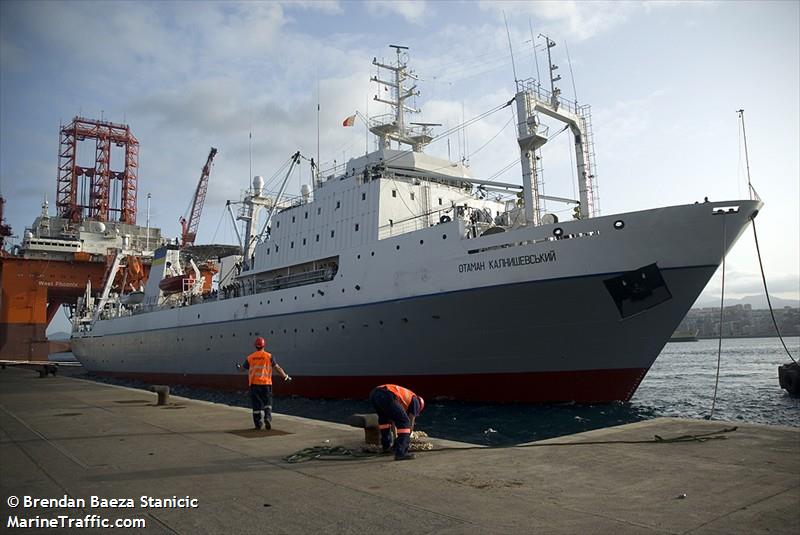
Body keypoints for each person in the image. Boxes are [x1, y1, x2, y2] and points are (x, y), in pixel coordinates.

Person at [237, 337, 291, 430]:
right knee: (268, 403)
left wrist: (238, 367)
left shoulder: (250, 357)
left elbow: (242, 369)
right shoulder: (269, 356)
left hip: (254, 384)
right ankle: (267, 418)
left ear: (255, 346)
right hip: (266, 384)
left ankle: (258, 424)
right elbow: (277, 368)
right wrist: (285, 377)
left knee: (256, 405)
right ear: (264, 345)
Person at [369, 384, 425, 461]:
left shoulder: (402, 400)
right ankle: (401, 453)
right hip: (386, 394)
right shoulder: (415, 401)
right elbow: (410, 423)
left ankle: (386, 447)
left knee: (385, 421)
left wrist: (396, 439)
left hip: (375, 394)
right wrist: (405, 440)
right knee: (404, 421)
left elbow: (392, 422)